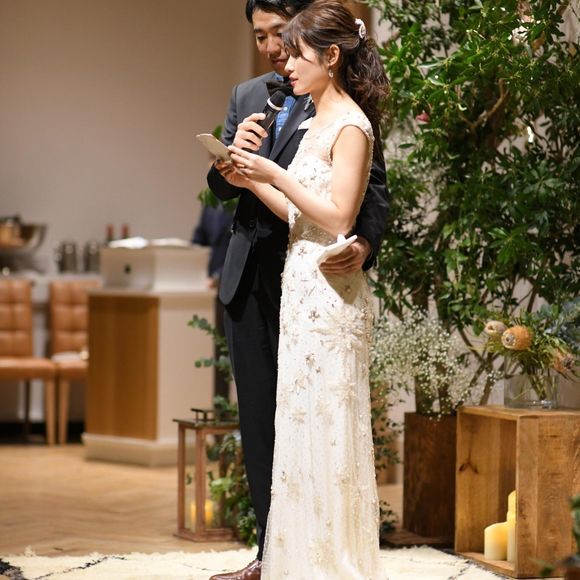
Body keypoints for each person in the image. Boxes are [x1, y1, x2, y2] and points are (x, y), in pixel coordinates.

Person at [206, 0, 389, 577]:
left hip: (319, 280)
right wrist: (239, 168)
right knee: (278, 423)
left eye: (281, 37)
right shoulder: (254, 97)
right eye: (260, 37)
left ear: (321, 50)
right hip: (267, 276)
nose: (274, 52)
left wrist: (364, 242)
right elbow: (249, 190)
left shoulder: (346, 116)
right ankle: (279, 553)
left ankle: (329, 559)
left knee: (325, 422)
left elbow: (357, 200)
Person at [192, 203, 233, 399]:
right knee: (218, 351)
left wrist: (219, 276)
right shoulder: (210, 204)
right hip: (210, 291)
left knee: (229, 352)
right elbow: (199, 238)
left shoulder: (240, 200)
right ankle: (219, 406)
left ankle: (230, 409)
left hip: (230, 282)